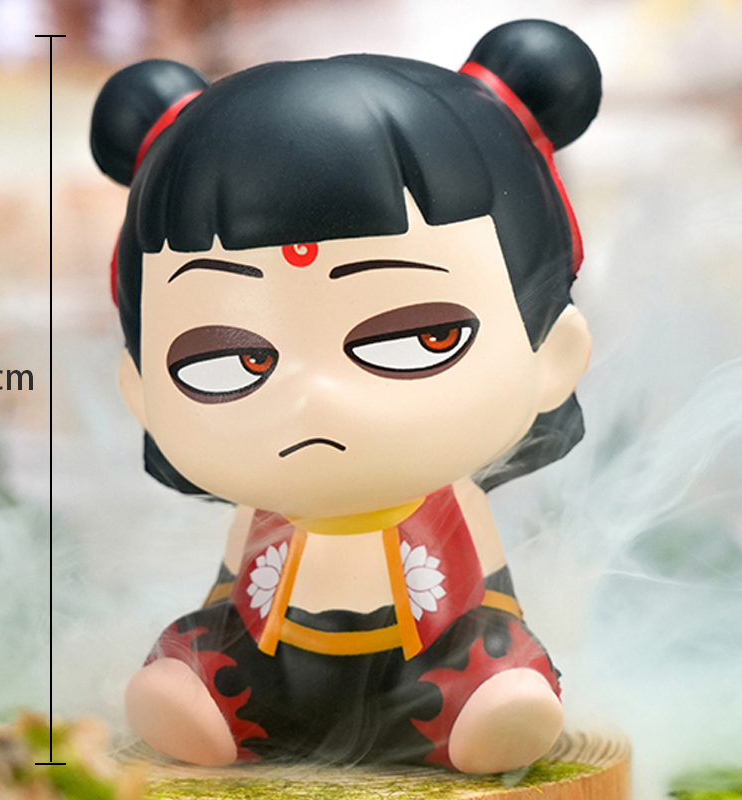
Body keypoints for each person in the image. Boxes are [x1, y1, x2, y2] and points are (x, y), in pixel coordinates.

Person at [90, 18, 601, 773]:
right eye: (227, 360)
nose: (314, 396)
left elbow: (490, 591)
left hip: (428, 659)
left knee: (492, 655)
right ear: (140, 390)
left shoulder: (448, 501)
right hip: (273, 661)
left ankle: (494, 709)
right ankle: (200, 706)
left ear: (553, 356)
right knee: (204, 649)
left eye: (416, 337)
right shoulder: (260, 513)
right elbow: (231, 589)